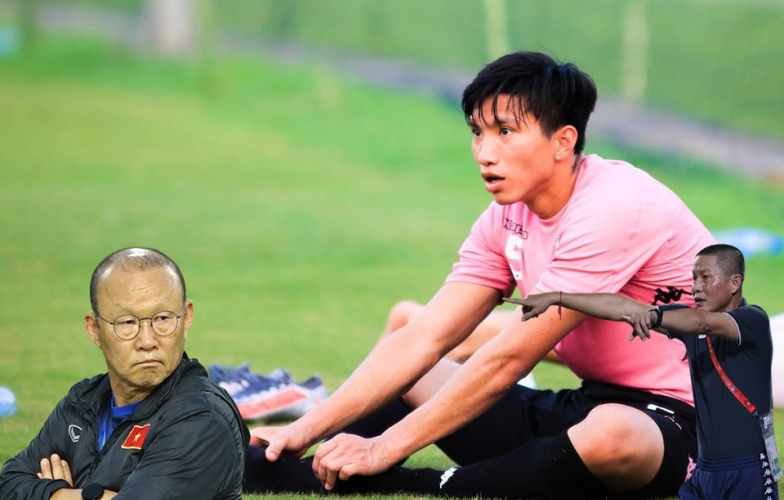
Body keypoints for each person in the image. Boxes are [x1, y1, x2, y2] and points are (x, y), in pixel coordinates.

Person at [247, 51, 716, 498]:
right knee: (415, 371)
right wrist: (303, 429)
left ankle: (410, 483)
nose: (485, 153)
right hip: (591, 403)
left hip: (690, 422)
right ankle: (299, 468)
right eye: (477, 132)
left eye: (505, 131)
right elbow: (425, 337)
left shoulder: (614, 207)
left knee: (610, 436)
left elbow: (510, 357)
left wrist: (384, 448)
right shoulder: (508, 215)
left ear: (563, 141)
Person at [511, 244, 781, 499]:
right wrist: (558, 298)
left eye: (706, 277)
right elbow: (621, 307)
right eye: (694, 278)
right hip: (705, 469)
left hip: (747, 467)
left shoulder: (752, 320)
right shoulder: (688, 322)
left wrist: (655, 316)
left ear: (735, 282)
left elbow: (702, 322)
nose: (696, 287)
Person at [0, 248, 250, 500]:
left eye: (162, 318)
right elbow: (8, 484)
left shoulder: (202, 419)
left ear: (186, 318)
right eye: (127, 322)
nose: (147, 341)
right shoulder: (82, 404)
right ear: (94, 329)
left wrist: (57, 495)